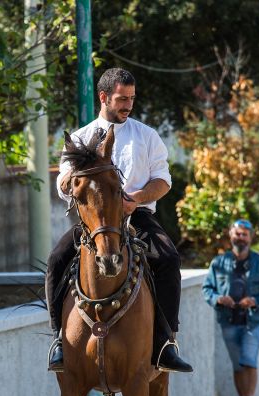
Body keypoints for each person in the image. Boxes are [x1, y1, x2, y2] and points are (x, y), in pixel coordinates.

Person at [45, 67, 193, 374]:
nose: (128, 105)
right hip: (94, 221)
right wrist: (69, 181)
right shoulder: (80, 137)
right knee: (57, 260)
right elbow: (63, 184)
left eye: (132, 99)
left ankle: (166, 343)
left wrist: (135, 198)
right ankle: (60, 339)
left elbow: (163, 181)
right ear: (104, 97)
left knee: (167, 257)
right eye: (122, 99)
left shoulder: (147, 136)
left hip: (136, 214)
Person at [202, 219, 259, 396]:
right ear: (231, 235)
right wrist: (219, 298)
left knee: (249, 359)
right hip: (228, 320)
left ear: (251, 237)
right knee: (237, 364)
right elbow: (207, 289)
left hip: (253, 320)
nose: (241, 238)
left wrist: (255, 300)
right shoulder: (218, 263)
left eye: (245, 234)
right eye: (237, 234)